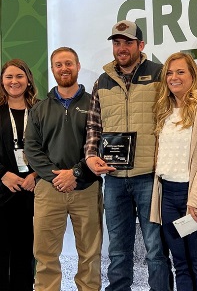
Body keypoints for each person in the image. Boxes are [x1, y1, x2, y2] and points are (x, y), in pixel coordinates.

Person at [85, 20, 171, 291]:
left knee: (156, 249)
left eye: (128, 43)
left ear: (140, 45)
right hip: (113, 178)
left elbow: (169, 120)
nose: (121, 48)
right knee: (119, 250)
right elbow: (93, 126)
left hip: (149, 176)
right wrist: (90, 156)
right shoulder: (102, 80)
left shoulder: (159, 74)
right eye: (117, 43)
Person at [24, 47, 103, 291]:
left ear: (78, 66)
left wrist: (76, 173)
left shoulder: (95, 103)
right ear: (52, 69)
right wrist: (57, 177)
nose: (64, 68)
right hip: (49, 189)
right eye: (58, 64)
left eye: (69, 63)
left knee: (90, 255)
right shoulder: (39, 109)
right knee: (45, 254)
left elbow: (101, 143)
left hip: (86, 188)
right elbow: (32, 149)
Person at [150, 52, 197, 291]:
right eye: (170, 73)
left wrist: (196, 200)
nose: (174, 77)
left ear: (193, 75)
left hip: (195, 198)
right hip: (168, 196)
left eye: (180, 71)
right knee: (180, 265)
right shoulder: (164, 110)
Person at [0, 59, 38, 291]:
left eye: (19, 76)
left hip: (33, 190)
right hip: (3, 190)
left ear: (28, 80)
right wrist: (3, 174)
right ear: (2, 81)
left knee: (26, 254)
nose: (14, 81)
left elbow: (52, 148)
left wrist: (36, 174)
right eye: (9, 77)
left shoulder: (40, 109)